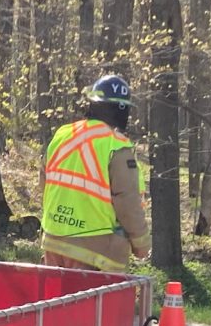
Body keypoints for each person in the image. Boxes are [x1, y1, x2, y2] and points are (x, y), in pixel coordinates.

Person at [41, 74, 150, 272]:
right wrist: (141, 244)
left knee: (56, 303)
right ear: (122, 110)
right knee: (99, 304)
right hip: (95, 253)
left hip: (53, 243)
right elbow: (127, 201)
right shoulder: (115, 146)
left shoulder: (63, 135)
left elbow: (46, 182)